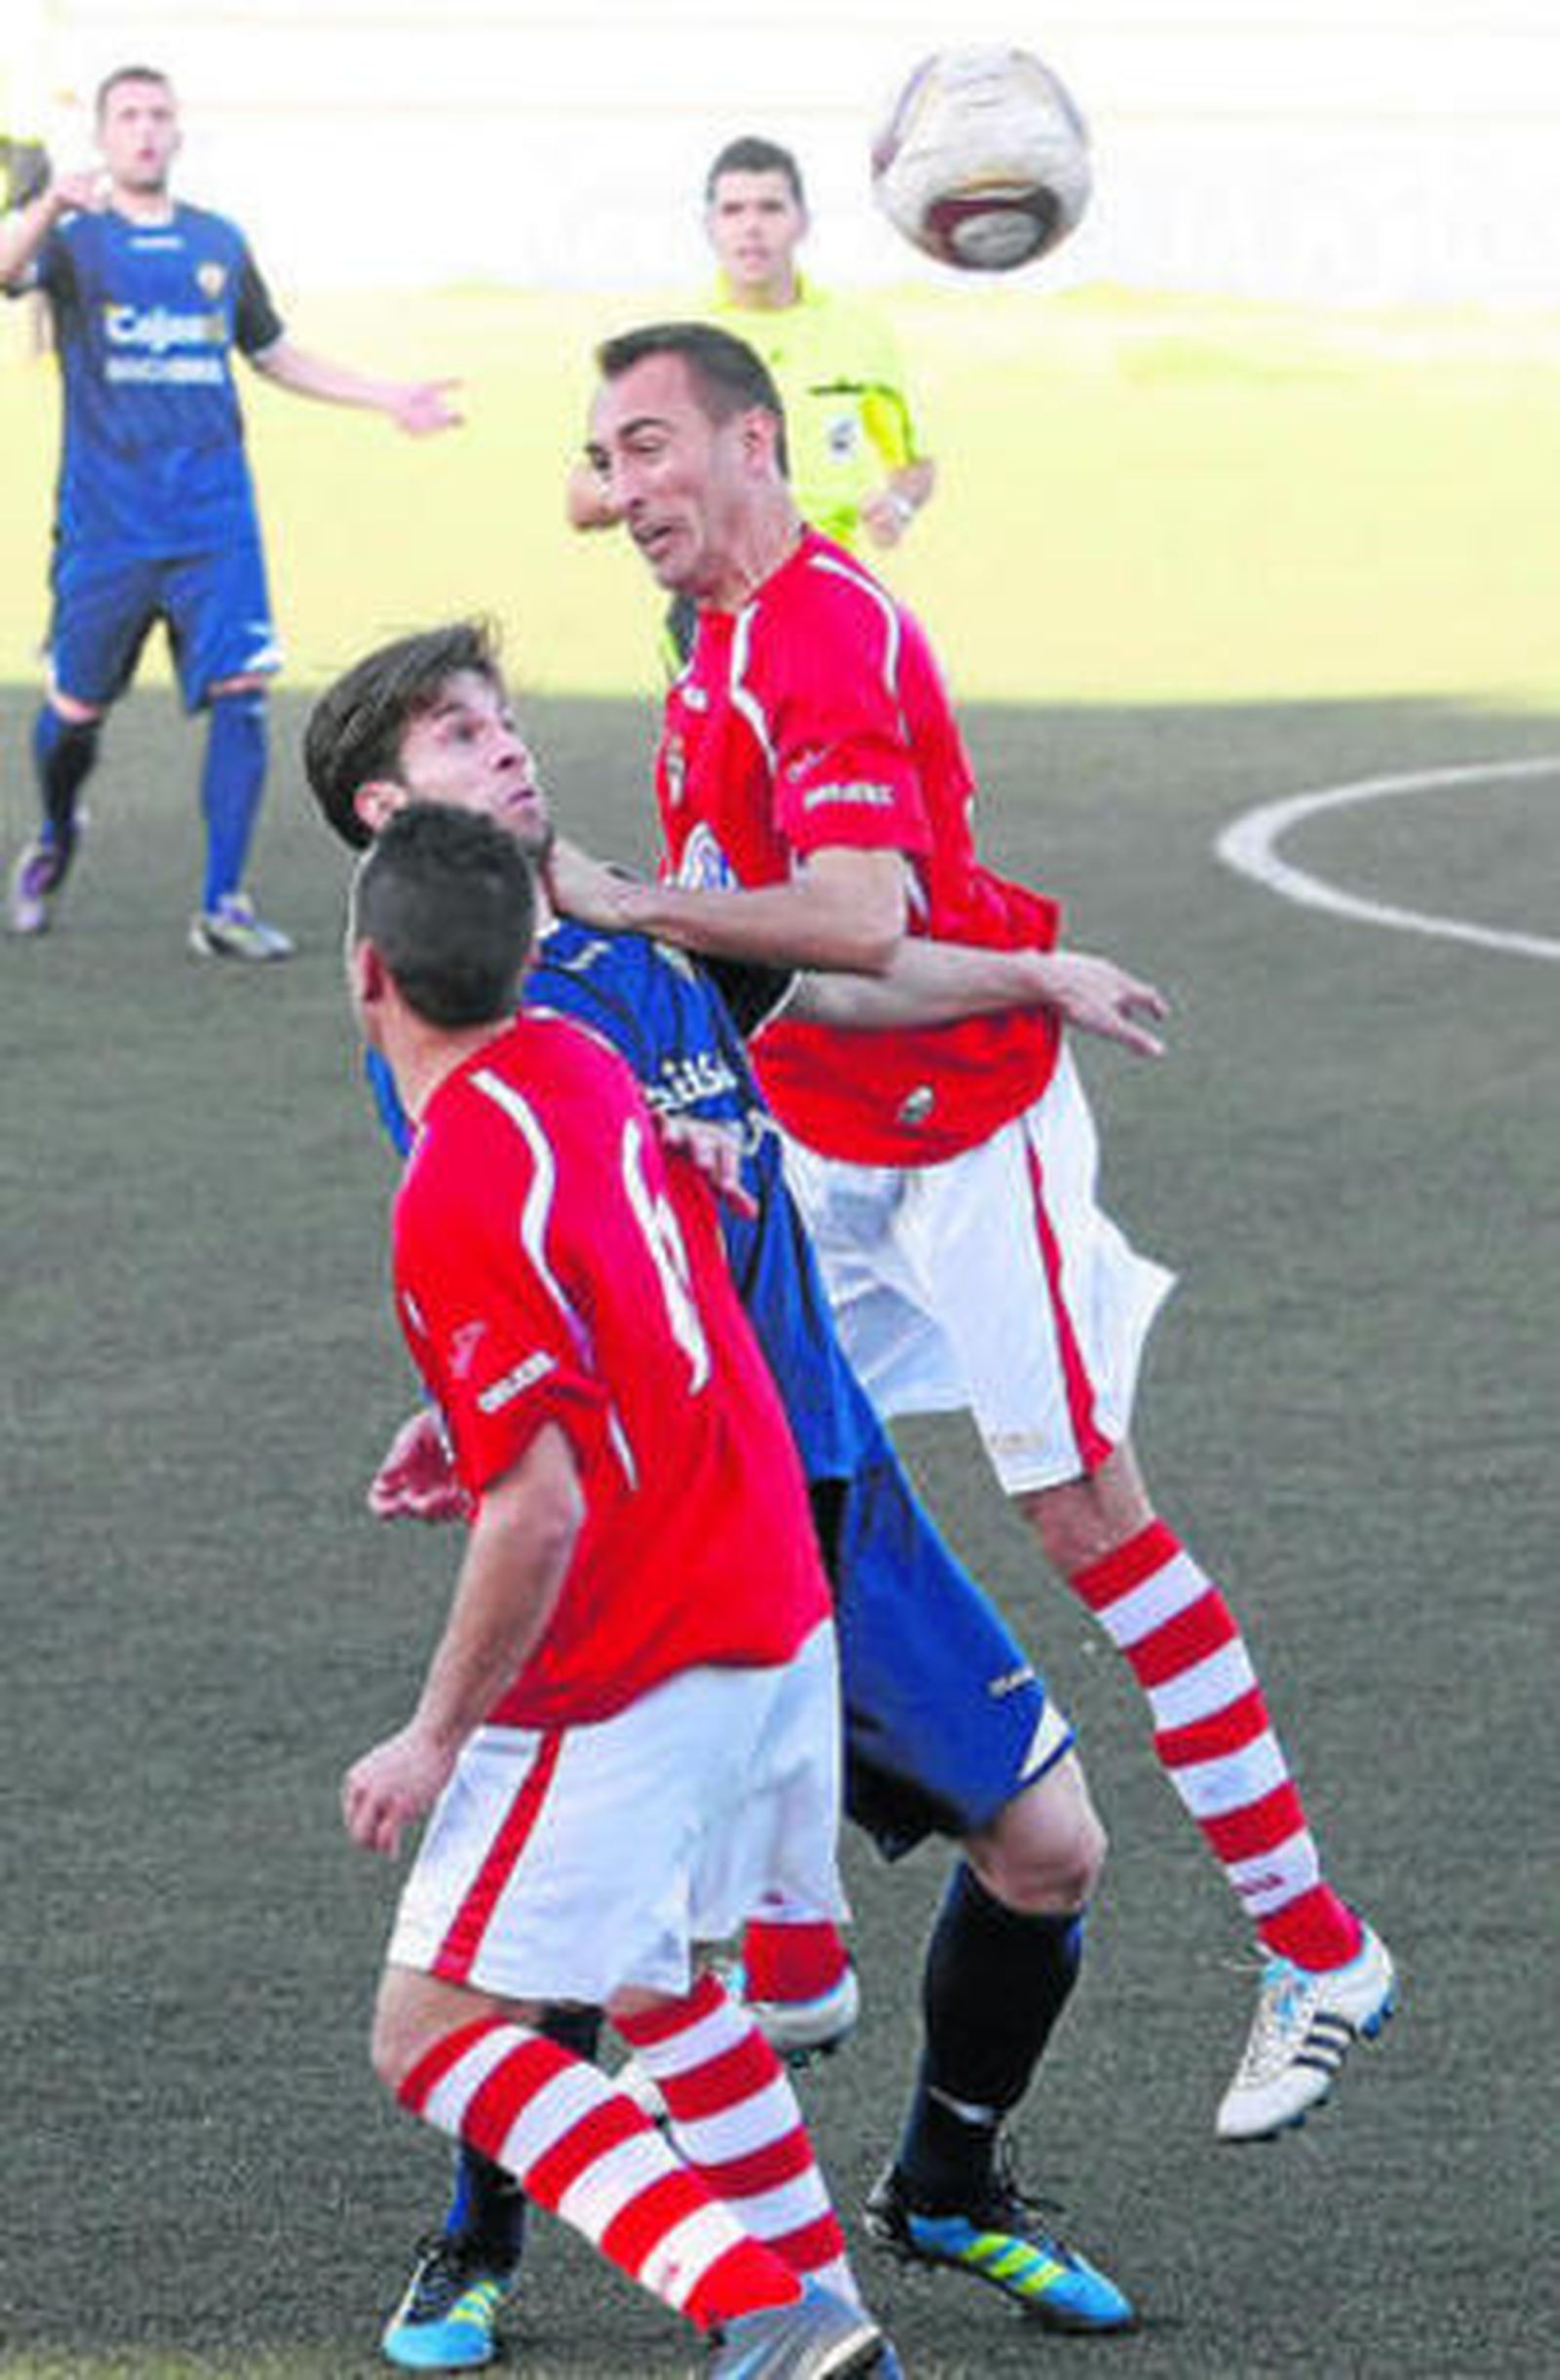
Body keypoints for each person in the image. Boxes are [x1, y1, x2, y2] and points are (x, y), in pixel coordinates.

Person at [571, 320, 1397, 2155]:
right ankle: (797, 1950)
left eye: (650, 450)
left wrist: (631, 905)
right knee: (744, 1479)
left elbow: (854, 922)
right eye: (604, 462)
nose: (621, 492)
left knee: (1084, 1517)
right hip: (827, 1138)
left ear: (757, 444)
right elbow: (802, 965)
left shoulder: (825, 637)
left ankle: (1319, 1946)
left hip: (966, 1136)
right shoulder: (714, 640)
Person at [304, 622, 1150, 2367]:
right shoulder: (484, 1034)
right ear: (390, 811)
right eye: (465, 738)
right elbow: (566, 1264)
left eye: (512, 721)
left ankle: (931, 2200)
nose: (514, 748)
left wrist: (1026, 977)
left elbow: (842, 971)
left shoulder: (643, 944)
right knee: (592, 1933)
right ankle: (490, 2240)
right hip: (654, 1539)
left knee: (1044, 1850)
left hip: (824, 1494)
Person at [342, 799, 899, 2380]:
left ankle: (759, 2305)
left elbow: (540, 1511)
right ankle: (836, 2326)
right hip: (774, 1595)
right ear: (533, 955)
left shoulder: (448, 1183)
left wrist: (433, 1735)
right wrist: (471, 1417)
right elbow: (658, 1216)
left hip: (639, 1651)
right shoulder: (585, 1064)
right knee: (651, 1976)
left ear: (367, 977)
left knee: (432, 2031)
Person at [0, 63, 460, 957]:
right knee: (74, 715)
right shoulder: (72, 237)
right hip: (108, 526)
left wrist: (386, 395)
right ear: (102, 134)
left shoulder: (219, 240)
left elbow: (273, 351)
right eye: (128, 116)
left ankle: (224, 904)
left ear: (178, 133)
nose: (144, 130)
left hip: (215, 522)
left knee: (243, 696)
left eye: (158, 115)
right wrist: (52, 202)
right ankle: (56, 833)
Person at [566, 136, 933, 663]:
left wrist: (899, 503)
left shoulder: (860, 334)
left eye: (770, 207)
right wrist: (653, 485)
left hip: (830, 598)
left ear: (803, 220)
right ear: (709, 226)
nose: (752, 227)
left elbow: (913, 465)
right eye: (733, 209)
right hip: (716, 606)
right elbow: (582, 498)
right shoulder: (673, 344)